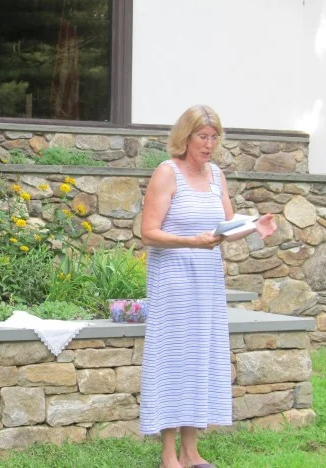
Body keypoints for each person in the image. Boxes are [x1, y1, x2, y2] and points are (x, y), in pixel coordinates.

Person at [139, 105, 277, 468]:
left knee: (199, 360)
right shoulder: (167, 173)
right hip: (173, 282)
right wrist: (191, 242)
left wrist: (254, 226)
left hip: (206, 283)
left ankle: (191, 451)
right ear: (185, 137)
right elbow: (148, 233)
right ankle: (168, 455)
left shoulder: (216, 175)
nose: (209, 144)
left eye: (215, 137)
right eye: (203, 136)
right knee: (173, 361)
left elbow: (226, 226)